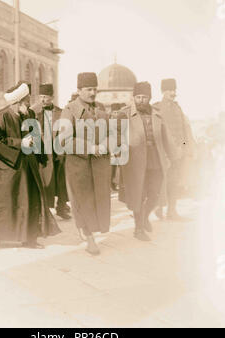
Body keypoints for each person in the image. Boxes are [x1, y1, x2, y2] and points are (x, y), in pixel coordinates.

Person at [0, 82, 61, 248]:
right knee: (2, 204)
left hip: (28, 167)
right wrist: (20, 143)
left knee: (30, 202)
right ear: (17, 102)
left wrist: (41, 156)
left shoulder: (29, 114)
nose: (28, 103)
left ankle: (30, 238)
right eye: (26, 100)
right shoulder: (1, 117)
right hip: (7, 168)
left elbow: (36, 136)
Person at [118, 82, 178, 241]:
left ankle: (144, 217)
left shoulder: (158, 115)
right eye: (137, 97)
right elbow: (117, 137)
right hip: (135, 162)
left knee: (156, 193)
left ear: (149, 98)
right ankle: (138, 229)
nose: (141, 100)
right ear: (133, 98)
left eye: (144, 97)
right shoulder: (124, 114)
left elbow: (167, 137)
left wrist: (174, 156)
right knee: (139, 195)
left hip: (155, 159)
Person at [61, 72, 111, 255]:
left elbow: (111, 133)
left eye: (95, 89)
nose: (93, 92)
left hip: (99, 165)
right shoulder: (69, 110)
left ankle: (89, 231)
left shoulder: (100, 108)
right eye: (89, 89)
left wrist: (106, 144)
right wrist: (90, 147)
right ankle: (89, 238)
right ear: (79, 90)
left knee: (99, 201)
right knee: (83, 201)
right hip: (79, 165)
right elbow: (64, 140)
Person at [154, 79, 196, 220]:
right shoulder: (157, 108)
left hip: (179, 152)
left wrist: (186, 148)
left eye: (174, 90)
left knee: (174, 182)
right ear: (163, 91)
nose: (173, 93)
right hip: (165, 153)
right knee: (162, 183)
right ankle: (159, 208)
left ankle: (172, 210)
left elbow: (184, 129)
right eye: (169, 90)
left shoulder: (178, 108)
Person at [31, 83, 71, 220]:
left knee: (61, 181)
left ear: (52, 98)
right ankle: (44, 210)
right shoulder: (33, 112)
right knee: (43, 181)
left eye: (46, 97)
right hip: (41, 153)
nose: (43, 100)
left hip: (57, 152)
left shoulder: (60, 113)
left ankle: (61, 207)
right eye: (41, 97)